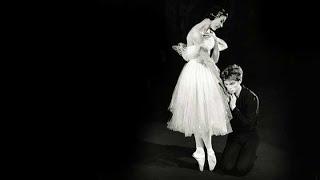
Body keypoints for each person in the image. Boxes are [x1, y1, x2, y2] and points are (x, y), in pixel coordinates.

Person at [167, 8, 232, 171]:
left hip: (205, 71)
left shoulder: (210, 33)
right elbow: (202, 58)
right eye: (221, 20)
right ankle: (206, 149)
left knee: (205, 112)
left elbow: (214, 59)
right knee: (198, 111)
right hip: (195, 72)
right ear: (214, 16)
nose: (222, 25)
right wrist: (219, 80)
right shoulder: (196, 32)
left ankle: (200, 149)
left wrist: (215, 41)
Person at [220, 64, 260, 176]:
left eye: (232, 84)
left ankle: (251, 154)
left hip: (249, 136)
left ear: (240, 80)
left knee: (241, 170)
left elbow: (248, 125)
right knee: (225, 167)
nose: (229, 88)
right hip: (235, 136)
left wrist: (233, 108)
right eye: (226, 84)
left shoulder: (251, 97)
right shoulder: (226, 95)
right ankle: (238, 153)